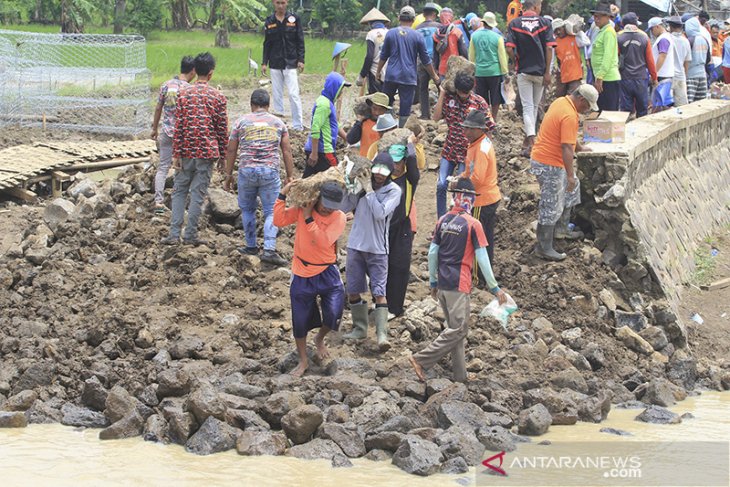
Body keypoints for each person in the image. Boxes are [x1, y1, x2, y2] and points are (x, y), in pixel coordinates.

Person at [408, 178, 507, 383]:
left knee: (455, 331)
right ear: (469, 199)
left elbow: (433, 254)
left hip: (443, 283)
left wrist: (433, 282)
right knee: (459, 329)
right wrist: (495, 288)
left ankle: (460, 376)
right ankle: (421, 359)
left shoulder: (442, 220)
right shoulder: (473, 224)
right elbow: (482, 257)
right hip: (459, 283)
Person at [273, 180, 347, 377]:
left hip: (327, 271)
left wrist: (308, 218)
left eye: (331, 207)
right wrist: (283, 194)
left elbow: (323, 241)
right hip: (302, 270)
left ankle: (320, 338)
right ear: (317, 198)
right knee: (300, 319)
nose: (326, 210)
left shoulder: (339, 217)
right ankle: (304, 360)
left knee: (334, 313)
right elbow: (278, 220)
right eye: (324, 204)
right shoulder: (303, 208)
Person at [162, 53, 227, 246]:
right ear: (211, 73)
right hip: (206, 152)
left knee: (179, 191)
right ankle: (190, 235)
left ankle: (174, 234)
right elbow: (221, 129)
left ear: (195, 71)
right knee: (198, 195)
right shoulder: (217, 97)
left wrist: (176, 154)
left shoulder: (184, 95)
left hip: (186, 150)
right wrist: (223, 156)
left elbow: (179, 125)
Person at [223, 89, 293, 265]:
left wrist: (228, 174)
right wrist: (290, 175)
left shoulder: (240, 123)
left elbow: (231, 150)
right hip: (269, 172)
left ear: (251, 105)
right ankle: (269, 249)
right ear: (268, 106)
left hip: (247, 171)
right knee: (271, 210)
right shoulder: (279, 124)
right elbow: (286, 150)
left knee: (247, 210)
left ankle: (251, 245)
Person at [529, 85, 598, 261]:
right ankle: (543, 247)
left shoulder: (562, 102)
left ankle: (561, 229)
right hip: (548, 163)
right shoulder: (569, 115)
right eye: (588, 106)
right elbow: (566, 146)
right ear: (581, 100)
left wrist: (580, 147)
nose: (587, 110)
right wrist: (568, 175)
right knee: (551, 203)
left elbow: (569, 137)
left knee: (573, 188)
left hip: (547, 159)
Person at [341, 153, 402, 350]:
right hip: (356, 245)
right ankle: (360, 328)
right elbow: (344, 207)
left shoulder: (394, 191)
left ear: (390, 173)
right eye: (376, 171)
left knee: (379, 291)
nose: (378, 176)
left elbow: (380, 213)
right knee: (353, 289)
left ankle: (382, 334)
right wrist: (350, 184)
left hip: (377, 249)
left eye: (384, 173)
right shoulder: (362, 187)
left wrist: (369, 191)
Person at [433, 72, 492, 218]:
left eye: (467, 92)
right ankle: (441, 221)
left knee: (461, 188)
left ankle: (459, 220)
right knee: (441, 185)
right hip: (450, 149)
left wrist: (485, 151)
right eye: (461, 92)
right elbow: (435, 117)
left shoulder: (478, 103)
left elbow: (489, 126)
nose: (464, 95)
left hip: (467, 154)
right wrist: (441, 94)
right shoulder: (450, 99)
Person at [506, 0, 556, 157]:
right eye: (540, 6)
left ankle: (531, 140)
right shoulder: (545, 22)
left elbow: (509, 48)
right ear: (535, 6)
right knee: (534, 107)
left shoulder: (514, 23)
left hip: (524, 71)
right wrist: (548, 71)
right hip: (541, 72)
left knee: (528, 107)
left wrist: (515, 60)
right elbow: (549, 48)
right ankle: (533, 141)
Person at [378, 6, 440, 127]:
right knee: (405, 107)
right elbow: (425, 59)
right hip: (408, 76)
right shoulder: (417, 36)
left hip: (391, 75)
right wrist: (434, 76)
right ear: (413, 20)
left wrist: (378, 71)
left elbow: (383, 56)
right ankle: (401, 132)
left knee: (385, 103)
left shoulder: (391, 33)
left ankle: (386, 128)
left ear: (399, 18)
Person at [457, 110, 500, 281]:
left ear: (479, 130)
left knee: (477, 239)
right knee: (485, 238)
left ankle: (477, 275)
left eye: (469, 129)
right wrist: (461, 177)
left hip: (481, 200)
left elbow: (477, 179)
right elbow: (470, 172)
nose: (465, 132)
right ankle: (485, 274)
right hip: (488, 198)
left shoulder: (481, 149)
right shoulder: (478, 143)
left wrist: (459, 185)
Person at [151, 56, 195, 214]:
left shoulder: (166, 85)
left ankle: (158, 201)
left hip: (167, 132)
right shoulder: (189, 89)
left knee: (163, 167)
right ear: (193, 71)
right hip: (182, 135)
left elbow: (158, 108)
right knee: (183, 168)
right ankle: (179, 202)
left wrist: (154, 128)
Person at [385, 135, 420, 318]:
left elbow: (414, 164)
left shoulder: (409, 179)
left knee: (399, 265)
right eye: (393, 162)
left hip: (403, 228)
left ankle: (395, 308)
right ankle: (381, 304)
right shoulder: (383, 178)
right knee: (383, 264)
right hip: (383, 226)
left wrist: (410, 143)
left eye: (399, 162)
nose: (396, 166)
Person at [262, 0, 305, 130]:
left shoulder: (294, 19)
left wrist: (301, 59)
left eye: (283, 3)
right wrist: (264, 62)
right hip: (275, 63)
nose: (280, 6)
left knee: (293, 94)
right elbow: (267, 43)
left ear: (287, 3)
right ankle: (279, 125)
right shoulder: (269, 21)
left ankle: (298, 125)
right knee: (277, 94)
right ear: (273, 4)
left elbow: (300, 40)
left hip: (291, 62)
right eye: (277, 3)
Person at [303, 72, 350, 177]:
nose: (341, 92)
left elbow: (334, 125)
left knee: (308, 179)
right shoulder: (324, 105)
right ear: (334, 88)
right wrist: (314, 153)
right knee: (336, 177)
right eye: (341, 89)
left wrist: (348, 139)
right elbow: (315, 128)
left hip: (318, 150)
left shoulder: (327, 102)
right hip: (323, 151)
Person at [469, 12, 508, 122]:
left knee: (481, 97)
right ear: (493, 24)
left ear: (483, 23)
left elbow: (471, 56)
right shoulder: (498, 37)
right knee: (496, 98)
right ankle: (493, 119)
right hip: (495, 72)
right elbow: (502, 57)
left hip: (480, 72)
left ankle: (483, 119)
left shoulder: (474, 36)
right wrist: (505, 72)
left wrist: (472, 71)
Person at [617, 13, 657, 118]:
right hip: (641, 78)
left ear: (623, 23)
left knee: (625, 110)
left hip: (625, 77)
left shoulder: (618, 37)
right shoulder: (644, 37)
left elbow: (615, 58)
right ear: (636, 23)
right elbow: (650, 60)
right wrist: (654, 77)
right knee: (642, 110)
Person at [591, 2, 621, 111]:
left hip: (608, 79)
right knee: (602, 111)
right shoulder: (601, 31)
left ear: (607, 17)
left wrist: (600, 77)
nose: (596, 19)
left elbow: (608, 57)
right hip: (602, 77)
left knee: (609, 113)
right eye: (595, 16)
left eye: (599, 16)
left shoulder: (609, 32)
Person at [415, 3, 442, 120]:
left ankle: (425, 114)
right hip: (435, 60)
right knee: (441, 87)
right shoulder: (439, 27)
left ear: (424, 15)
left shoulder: (417, 29)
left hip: (421, 61)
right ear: (435, 14)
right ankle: (442, 113)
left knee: (423, 88)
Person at [347, 92, 391, 157]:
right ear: (370, 107)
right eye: (374, 108)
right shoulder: (363, 122)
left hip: (380, 161)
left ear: (385, 110)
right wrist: (359, 121)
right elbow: (351, 140)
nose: (377, 113)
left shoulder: (389, 126)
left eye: (381, 110)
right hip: (365, 160)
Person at [357, 8, 390, 94]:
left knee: (375, 101)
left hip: (375, 72)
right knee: (387, 100)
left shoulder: (371, 34)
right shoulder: (389, 33)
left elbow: (369, 57)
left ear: (370, 23)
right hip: (389, 72)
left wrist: (362, 75)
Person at [552, 18, 585, 98]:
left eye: (560, 29)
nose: (558, 32)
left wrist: (576, 30)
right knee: (560, 97)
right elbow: (552, 60)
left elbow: (586, 41)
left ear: (564, 28)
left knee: (573, 97)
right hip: (562, 74)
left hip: (575, 74)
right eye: (556, 31)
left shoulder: (575, 38)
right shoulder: (555, 42)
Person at [433, 8, 468, 80]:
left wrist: (436, 69)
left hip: (442, 69)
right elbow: (464, 52)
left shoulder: (436, 34)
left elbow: (435, 55)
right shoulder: (457, 32)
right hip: (455, 68)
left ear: (441, 18)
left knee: (443, 90)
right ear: (452, 18)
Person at [667, 16, 691, 107]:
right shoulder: (686, 41)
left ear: (671, 27)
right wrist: (684, 74)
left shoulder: (668, 38)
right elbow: (687, 61)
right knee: (682, 106)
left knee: (667, 105)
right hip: (681, 76)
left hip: (668, 76)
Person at [685, 17, 709, 102]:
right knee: (700, 103)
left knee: (689, 103)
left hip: (691, 75)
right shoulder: (705, 40)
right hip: (702, 75)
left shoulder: (690, 40)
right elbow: (708, 59)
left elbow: (685, 59)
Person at [649, 17, 675, 84]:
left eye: (652, 29)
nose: (651, 32)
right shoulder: (664, 37)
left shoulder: (663, 39)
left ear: (657, 26)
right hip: (664, 74)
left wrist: (654, 74)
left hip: (662, 75)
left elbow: (662, 56)